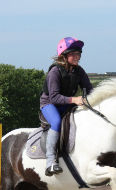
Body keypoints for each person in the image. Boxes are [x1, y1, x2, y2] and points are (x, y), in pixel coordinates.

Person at [40, 37, 93, 176]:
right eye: (73, 54)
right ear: (63, 56)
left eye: (79, 54)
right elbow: (55, 97)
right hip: (50, 104)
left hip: (67, 104)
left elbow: (89, 89)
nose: (77, 57)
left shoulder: (79, 71)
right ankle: (50, 162)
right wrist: (75, 99)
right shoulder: (55, 72)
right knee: (57, 122)